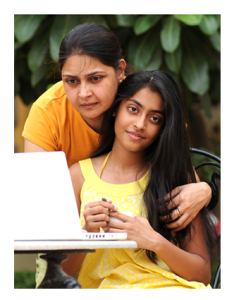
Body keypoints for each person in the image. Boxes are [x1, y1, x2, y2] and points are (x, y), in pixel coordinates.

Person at [22, 23, 214, 285]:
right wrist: (84, 232)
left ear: (121, 71)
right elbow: (42, 222)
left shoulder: (149, 104)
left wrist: (206, 189)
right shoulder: (50, 117)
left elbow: (176, 159)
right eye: (71, 81)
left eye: (96, 78)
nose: (84, 93)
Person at [69, 70, 218, 289]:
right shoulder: (78, 176)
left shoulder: (174, 175)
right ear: (116, 109)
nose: (140, 124)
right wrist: (88, 233)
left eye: (154, 118)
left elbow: (202, 274)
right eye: (133, 109)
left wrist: (154, 241)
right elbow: (61, 272)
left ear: (163, 127)